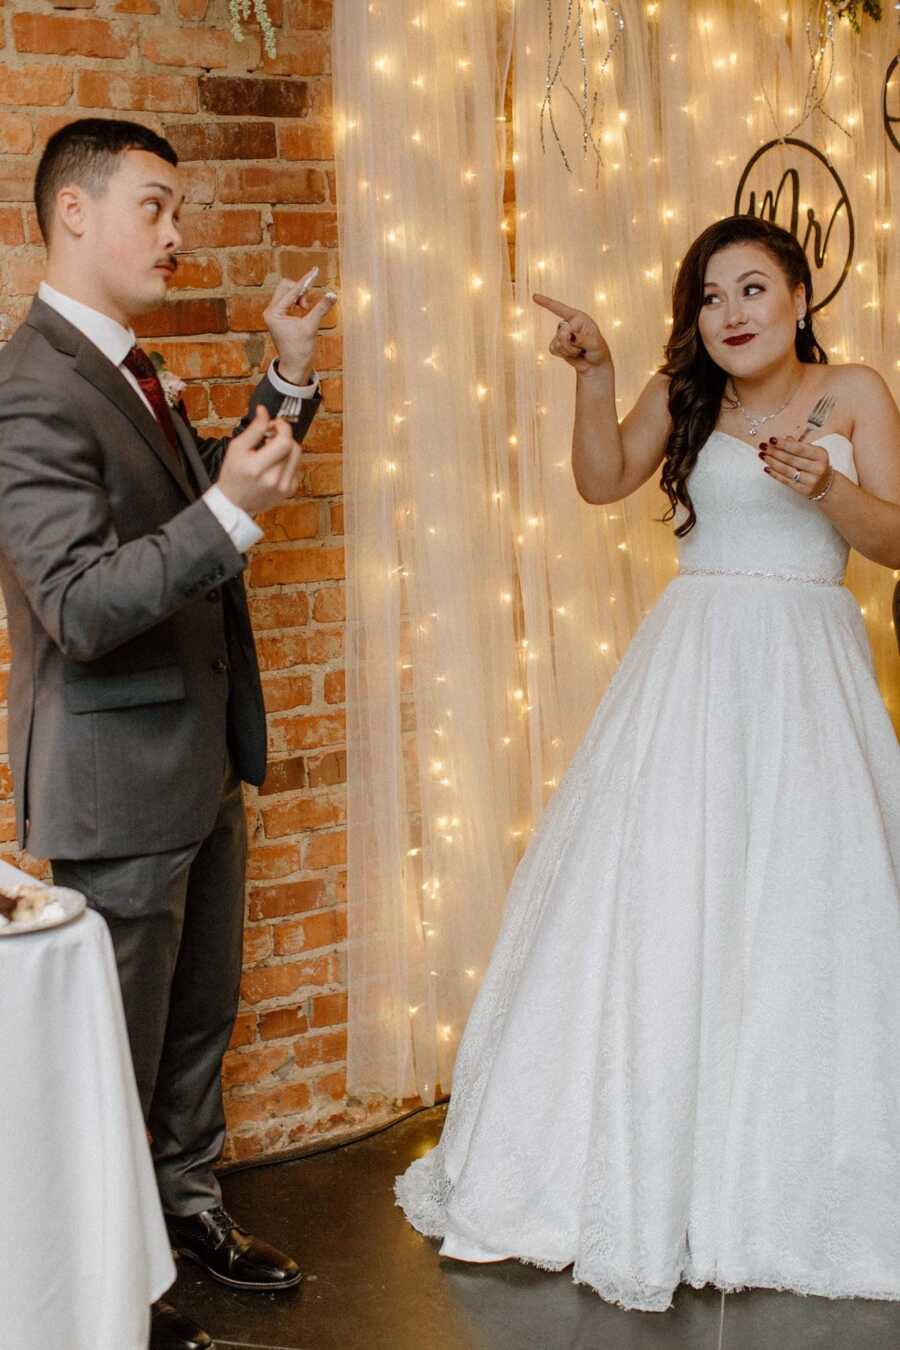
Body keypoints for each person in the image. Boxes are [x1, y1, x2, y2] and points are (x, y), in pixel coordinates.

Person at [395, 215, 900, 1312]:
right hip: (694, 671)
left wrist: (826, 488)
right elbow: (601, 478)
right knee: (668, 900)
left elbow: (896, 537)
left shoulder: (852, 390)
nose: (733, 314)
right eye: (712, 298)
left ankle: (786, 1168)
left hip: (808, 670)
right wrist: (600, 374)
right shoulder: (687, 398)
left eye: (754, 289)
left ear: (801, 296)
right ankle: (627, 1160)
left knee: (808, 909)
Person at [0, 119, 336, 1350]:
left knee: (195, 1031)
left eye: (179, 208)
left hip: (195, 761)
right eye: (155, 205)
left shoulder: (128, 366)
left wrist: (286, 374)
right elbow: (82, 605)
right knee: (111, 1069)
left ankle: (187, 1210)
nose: (177, 232)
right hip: (113, 777)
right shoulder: (29, 386)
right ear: (74, 213)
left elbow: (209, 496)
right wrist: (229, 514)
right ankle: (123, 1302)